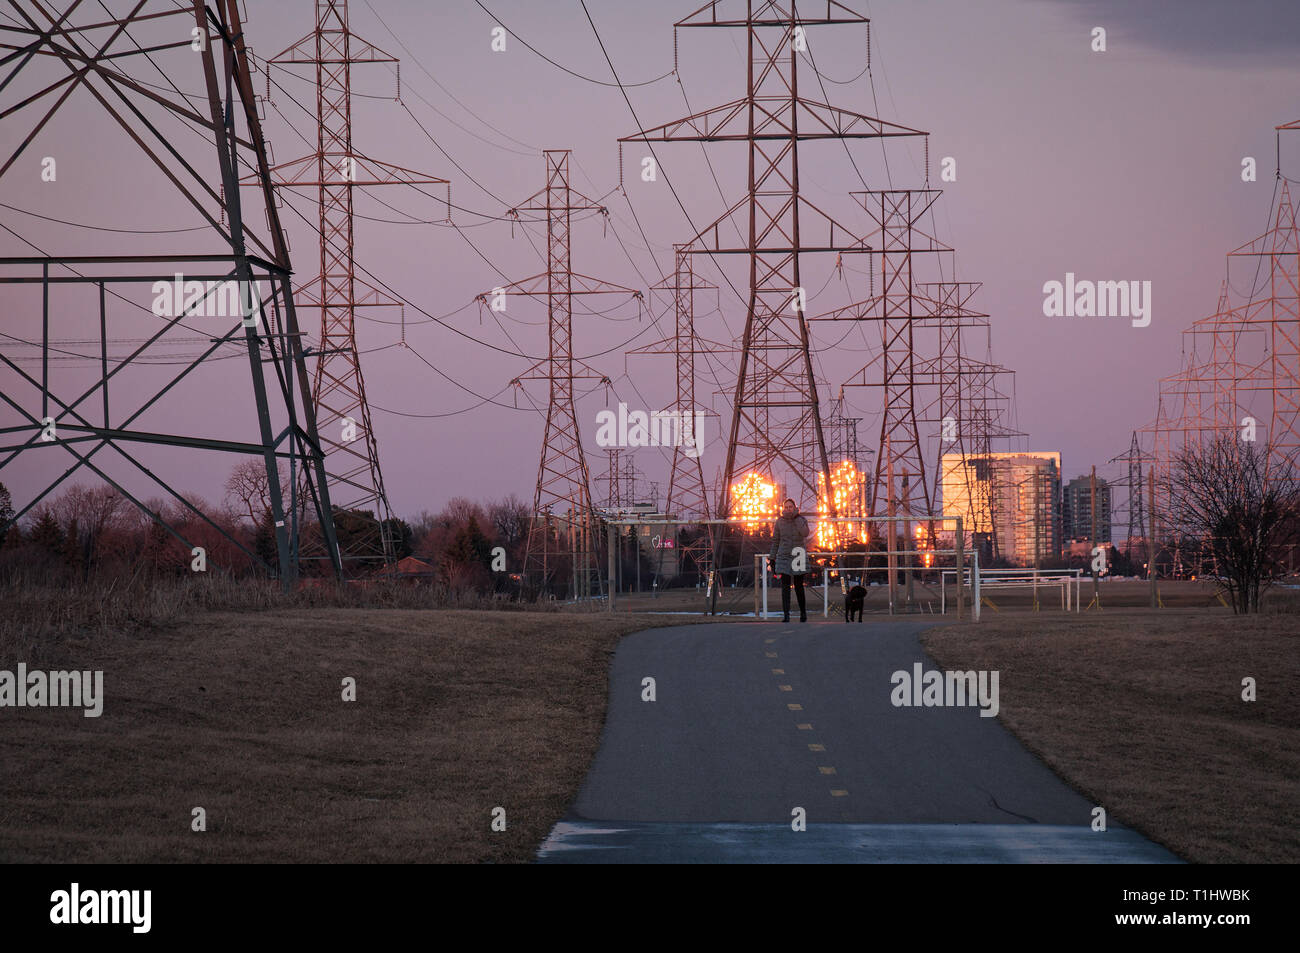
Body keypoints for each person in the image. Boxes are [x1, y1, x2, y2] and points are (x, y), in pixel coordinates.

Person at [769, 498, 810, 623]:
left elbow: (805, 533)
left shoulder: (801, 520)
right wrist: (772, 557)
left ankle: (803, 613)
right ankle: (786, 615)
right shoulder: (779, 522)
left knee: (798, 586)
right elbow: (776, 540)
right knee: (785, 586)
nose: (788, 509)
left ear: (795, 507)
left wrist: (797, 519)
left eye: (790, 507)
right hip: (784, 555)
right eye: (786, 507)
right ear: (783, 508)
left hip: (798, 554)